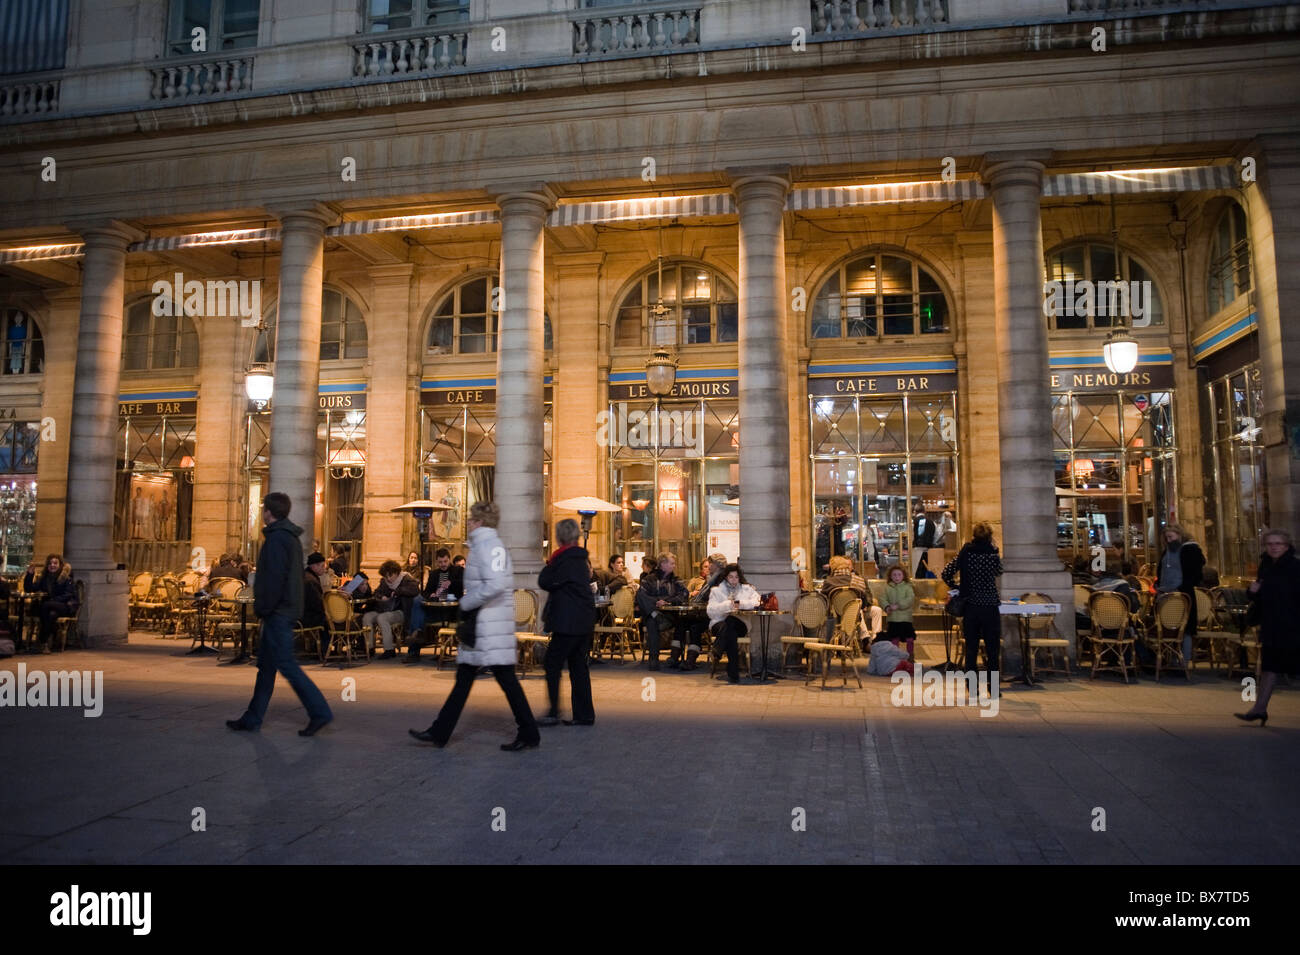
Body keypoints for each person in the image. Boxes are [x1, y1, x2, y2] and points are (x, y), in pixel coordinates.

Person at [409, 501, 540, 751]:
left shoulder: (489, 547)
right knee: (468, 679)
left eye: (471, 518)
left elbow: (495, 585)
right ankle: (440, 731)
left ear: (479, 522)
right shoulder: (486, 545)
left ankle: (529, 732)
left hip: (488, 626)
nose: (467, 522)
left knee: (505, 681)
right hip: (484, 625)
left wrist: (466, 601)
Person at [227, 492, 333, 736]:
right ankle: (252, 717)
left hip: (277, 612)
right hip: (283, 609)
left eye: (264, 508)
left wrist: (263, 608)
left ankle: (319, 712)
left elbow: (274, 579)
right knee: (266, 667)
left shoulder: (276, 539)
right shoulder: (290, 538)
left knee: (287, 665)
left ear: (268, 512)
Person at [1236, 529, 1300, 726]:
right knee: (1269, 667)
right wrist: (1252, 592)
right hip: (1272, 623)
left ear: (1286, 546)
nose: (1273, 547)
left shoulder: (1295, 567)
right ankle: (1259, 708)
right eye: (1269, 543)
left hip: (1292, 624)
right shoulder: (1266, 566)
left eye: (1277, 544)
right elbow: (1260, 594)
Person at [537, 518, 597, 726]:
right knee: (578, 667)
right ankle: (584, 715)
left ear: (559, 536)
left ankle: (554, 711)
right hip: (583, 621)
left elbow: (544, 580)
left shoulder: (563, 558)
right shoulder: (579, 558)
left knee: (552, 663)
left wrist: (551, 563)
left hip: (567, 622)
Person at [942, 522, 1003, 675]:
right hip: (989, 605)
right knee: (992, 648)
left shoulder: (966, 552)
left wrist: (957, 587)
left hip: (971, 605)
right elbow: (999, 571)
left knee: (971, 648)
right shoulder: (992, 553)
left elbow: (946, 572)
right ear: (990, 536)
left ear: (974, 535)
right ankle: (993, 688)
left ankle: (972, 684)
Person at [1155, 523, 1205, 668]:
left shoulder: (1190, 550)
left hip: (1182, 594)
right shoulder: (1167, 551)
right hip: (1165, 593)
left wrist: (1179, 588)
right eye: (1166, 538)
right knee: (1168, 627)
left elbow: (1193, 574)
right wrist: (1159, 586)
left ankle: (1184, 661)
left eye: (1171, 537)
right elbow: (1161, 570)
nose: (1169, 541)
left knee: (1184, 628)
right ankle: (1170, 658)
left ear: (1179, 535)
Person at [405, 547, 464, 663]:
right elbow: (426, 592)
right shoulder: (434, 574)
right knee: (417, 602)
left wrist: (450, 583)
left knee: (418, 619)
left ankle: (414, 647)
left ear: (449, 560)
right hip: (436, 610)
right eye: (440, 562)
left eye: (445, 561)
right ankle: (417, 634)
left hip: (451, 612)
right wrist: (430, 594)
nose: (443, 564)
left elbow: (463, 584)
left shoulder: (458, 571)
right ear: (437, 562)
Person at [706, 563, 761, 684]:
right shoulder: (716, 591)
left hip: (741, 623)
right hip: (719, 623)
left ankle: (717, 650)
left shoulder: (747, 589)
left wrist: (740, 603)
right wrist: (727, 605)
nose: (734, 580)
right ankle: (732, 670)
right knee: (729, 628)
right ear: (726, 577)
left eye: (736, 577)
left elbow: (757, 601)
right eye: (731, 577)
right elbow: (710, 611)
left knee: (730, 623)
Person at [672, 552, 727, 670]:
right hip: (701, 612)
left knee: (695, 627)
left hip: (713, 615)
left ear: (717, 565)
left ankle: (690, 660)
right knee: (681, 622)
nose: (709, 566)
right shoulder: (711, 579)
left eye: (711, 563)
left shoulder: (720, 579)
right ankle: (674, 657)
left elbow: (711, 596)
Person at [635, 551, 688, 670]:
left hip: (670, 615)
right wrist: (657, 602)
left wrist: (667, 601)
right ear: (663, 564)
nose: (674, 566)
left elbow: (684, 594)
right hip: (652, 614)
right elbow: (641, 596)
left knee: (682, 622)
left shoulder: (675, 580)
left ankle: (674, 657)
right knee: (650, 618)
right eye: (672, 563)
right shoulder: (648, 579)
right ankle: (654, 659)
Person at [363, 559, 420, 659]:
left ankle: (389, 649)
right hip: (385, 608)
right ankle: (370, 648)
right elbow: (376, 593)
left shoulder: (406, 578)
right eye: (386, 576)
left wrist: (398, 591)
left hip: (401, 611)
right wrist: (382, 597)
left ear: (397, 573)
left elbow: (415, 590)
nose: (388, 578)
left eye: (390, 575)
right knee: (367, 617)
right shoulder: (384, 582)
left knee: (382, 618)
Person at [23, 554, 78, 654]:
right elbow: (29, 589)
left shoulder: (66, 578)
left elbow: (68, 595)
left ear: (60, 565)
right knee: (51, 614)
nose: (52, 565)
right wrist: (30, 574)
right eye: (50, 563)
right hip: (50, 609)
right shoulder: (44, 578)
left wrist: (53, 600)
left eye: (55, 563)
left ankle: (40, 641)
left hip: (64, 606)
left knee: (46, 605)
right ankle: (45, 643)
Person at [821, 555, 881, 640]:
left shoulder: (828, 581)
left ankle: (828, 641)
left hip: (835, 617)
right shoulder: (857, 580)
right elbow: (863, 602)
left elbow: (823, 600)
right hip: (854, 615)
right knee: (857, 611)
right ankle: (866, 641)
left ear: (833, 568)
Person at [880, 563, 916, 659]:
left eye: (899, 575)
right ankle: (895, 656)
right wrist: (887, 607)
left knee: (909, 638)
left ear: (903, 576)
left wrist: (899, 605)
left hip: (905, 619)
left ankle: (910, 656)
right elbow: (882, 598)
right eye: (894, 575)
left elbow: (910, 599)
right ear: (890, 576)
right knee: (894, 638)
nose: (897, 577)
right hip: (893, 618)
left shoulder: (907, 587)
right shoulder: (888, 588)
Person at [300, 551, 329, 636]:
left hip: (300, 615)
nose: (324, 568)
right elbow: (318, 604)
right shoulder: (311, 581)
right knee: (331, 621)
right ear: (314, 566)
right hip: (307, 617)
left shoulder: (305, 575)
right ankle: (324, 647)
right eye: (322, 565)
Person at [911, 504, 936, 577]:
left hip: (916, 550)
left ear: (915, 512)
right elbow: (935, 537)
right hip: (929, 551)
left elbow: (911, 536)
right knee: (926, 572)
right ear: (924, 511)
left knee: (916, 573)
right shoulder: (931, 522)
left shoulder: (913, 522)